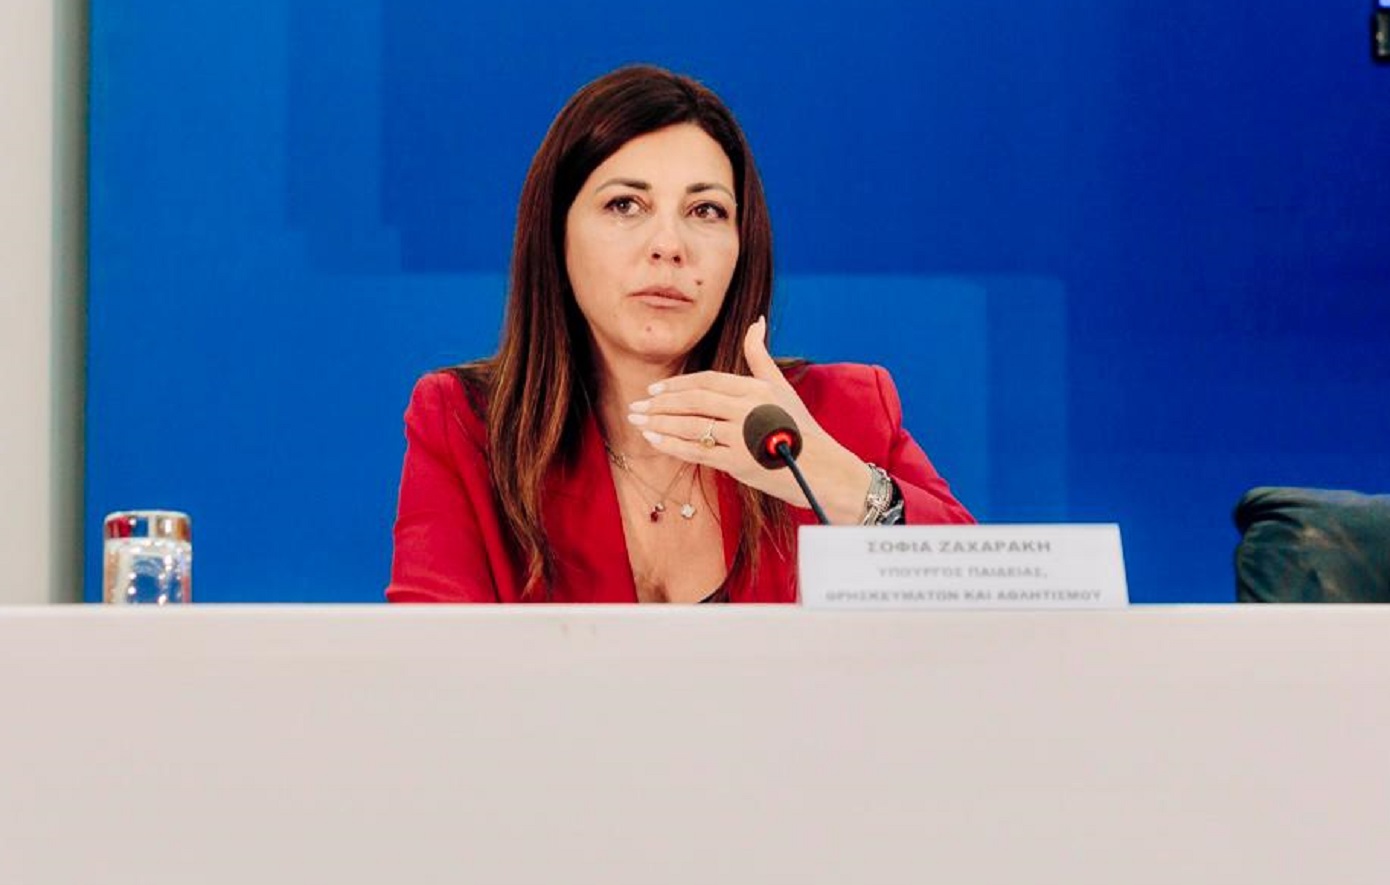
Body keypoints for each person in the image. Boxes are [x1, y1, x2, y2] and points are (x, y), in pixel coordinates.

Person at [387, 64, 973, 605]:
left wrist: (836, 481)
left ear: (742, 248)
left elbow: (986, 611)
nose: (669, 245)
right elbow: (426, 666)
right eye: (625, 205)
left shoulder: (840, 414)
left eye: (706, 211)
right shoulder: (468, 428)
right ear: (556, 234)